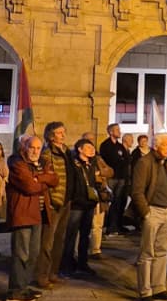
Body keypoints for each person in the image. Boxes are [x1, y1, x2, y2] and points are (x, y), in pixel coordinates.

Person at [5, 134, 56, 301]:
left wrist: (39, 178)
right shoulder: (17, 163)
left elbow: (54, 179)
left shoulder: (41, 163)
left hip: (38, 214)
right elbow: (29, 187)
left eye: (38, 148)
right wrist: (44, 181)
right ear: (24, 148)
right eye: (32, 147)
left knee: (33, 253)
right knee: (21, 254)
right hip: (23, 213)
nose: (35, 151)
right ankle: (15, 291)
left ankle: (24, 286)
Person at [130, 133, 167, 301]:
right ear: (156, 146)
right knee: (147, 252)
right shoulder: (144, 163)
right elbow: (137, 191)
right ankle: (145, 291)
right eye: (165, 145)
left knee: (162, 250)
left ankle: (159, 287)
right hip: (153, 211)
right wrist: (146, 213)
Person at [35, 122, 73, 287]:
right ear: (51, 136)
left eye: (64, 132)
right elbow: (45, 177)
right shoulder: (47, 153)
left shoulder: (66, 152)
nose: (63, 135)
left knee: (59, 239)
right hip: (54, 201)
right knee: (47, 242)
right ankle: (42, 274)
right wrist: (49, 200)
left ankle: (53, 272)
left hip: (66, 200)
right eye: (59, 132)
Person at [61, 137, 102, 277]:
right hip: (77, 204)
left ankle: (83, 263)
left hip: (89, 203)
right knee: (71, 235)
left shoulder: (92, 163)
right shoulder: (73, 164)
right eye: (88, 148)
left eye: (93, 148)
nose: (92, 150)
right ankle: (67, 265)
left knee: (85, 235)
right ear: (80, 149)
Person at [99, 123, 132, 234]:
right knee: (112, 202)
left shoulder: (120, 146)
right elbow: (109, 160)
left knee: (119, 202)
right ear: (111, 132)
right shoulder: (105, 145)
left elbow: (126, 160)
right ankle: (110, 226)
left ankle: (117, 225)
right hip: (112, 178)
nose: (119, 131)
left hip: (121, 177)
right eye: (117, 130)